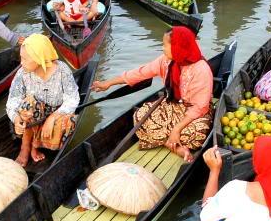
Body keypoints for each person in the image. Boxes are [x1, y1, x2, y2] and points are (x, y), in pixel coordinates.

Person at [91, 27, 213, 161]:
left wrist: (176, 129)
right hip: (172, 106)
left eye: (165, 45)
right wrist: (108, 83)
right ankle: (173, 145)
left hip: (193, 113)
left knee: (198, 133)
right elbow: (140, 73)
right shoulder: (166, 61)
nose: (163, 48)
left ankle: (167, 138)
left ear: (178, 47)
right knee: (139, 116)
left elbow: (200, 107)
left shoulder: (201, 70)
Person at [6, 34, 79, 166]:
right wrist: (16, 119)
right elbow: (12, 101)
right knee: (28, 104)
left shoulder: (62, 70)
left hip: (56, 113)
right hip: (31, 117)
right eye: (21, 58)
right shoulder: (23, 73)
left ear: (39, 58)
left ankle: (36, 145)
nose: (21, 63)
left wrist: (52, 118)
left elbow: (72, 99)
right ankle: (25, 147)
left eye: (25, 59)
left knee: (70, 122)